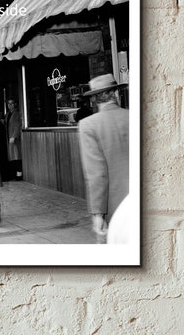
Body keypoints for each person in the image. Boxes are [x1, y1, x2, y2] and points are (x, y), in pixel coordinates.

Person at [78, 74, 129, 244]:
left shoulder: (88, 125)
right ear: (116, 93)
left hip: (114, 209)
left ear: (94, 99)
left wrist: (97, 214)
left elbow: (96, 174)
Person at [5, 98, 22, 180]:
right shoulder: (8, 114)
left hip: (14, 138)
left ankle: (19, 175)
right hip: (9, 137)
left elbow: (18, 126)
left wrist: (14, 136)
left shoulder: (17, 114)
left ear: (15, 104)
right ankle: (14, 174)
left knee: (17, 156)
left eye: (12, 103)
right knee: (12, 157)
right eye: (8, 103)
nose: (10, 105)